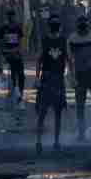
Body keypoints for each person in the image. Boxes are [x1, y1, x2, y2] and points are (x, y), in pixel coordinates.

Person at [35, 15, 68, 154]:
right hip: (54, 80)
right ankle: (54, 141)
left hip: (49, 79)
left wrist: (37, 78)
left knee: (45, 112)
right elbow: (68, 60)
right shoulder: (59, 41)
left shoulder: (48, 41)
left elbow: (38, 60)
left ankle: (40, 141)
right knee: (55, 112)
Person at [68, 15, 91, 141]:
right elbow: (69, 59)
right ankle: (82, 130)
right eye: (81, 26)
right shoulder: (72, 38)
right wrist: (71, 76)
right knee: (81, 104)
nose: (82, 28)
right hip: (81, 74)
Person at [0, 9, 25, 110]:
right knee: (14, 72)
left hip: (17, 53)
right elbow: (1, 43)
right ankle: (15, 91)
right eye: (10, 16)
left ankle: (20, 93)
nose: (12, 18)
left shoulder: (18, 28)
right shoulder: (3, 28)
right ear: (8, 18)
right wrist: (6, 52)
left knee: (21, 74)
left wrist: (16, 50)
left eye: (13, 16)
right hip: (8, 54)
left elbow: (21, 42)